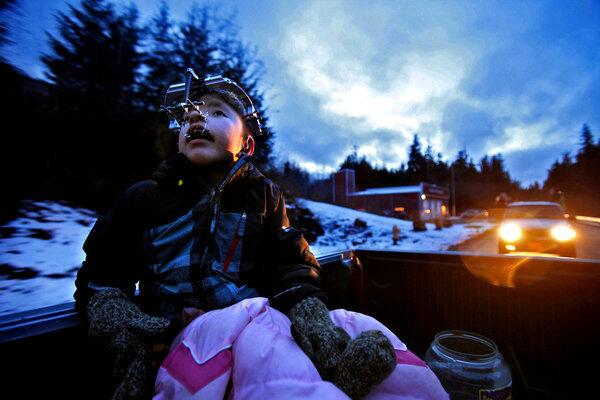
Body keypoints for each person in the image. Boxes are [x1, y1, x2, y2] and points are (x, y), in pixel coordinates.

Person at [74, 72, 396, 399]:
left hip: (251, 326)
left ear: (246, 144)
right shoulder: (144, 198)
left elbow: (291, 268)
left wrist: (315, 329)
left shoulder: (262, 196)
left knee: (290, 350)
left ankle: (329, 373)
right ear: (179, 137)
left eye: (217, 113)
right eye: (189, 117)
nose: (197, 118)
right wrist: (134, 335)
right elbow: (101, 280)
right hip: (172, 339)